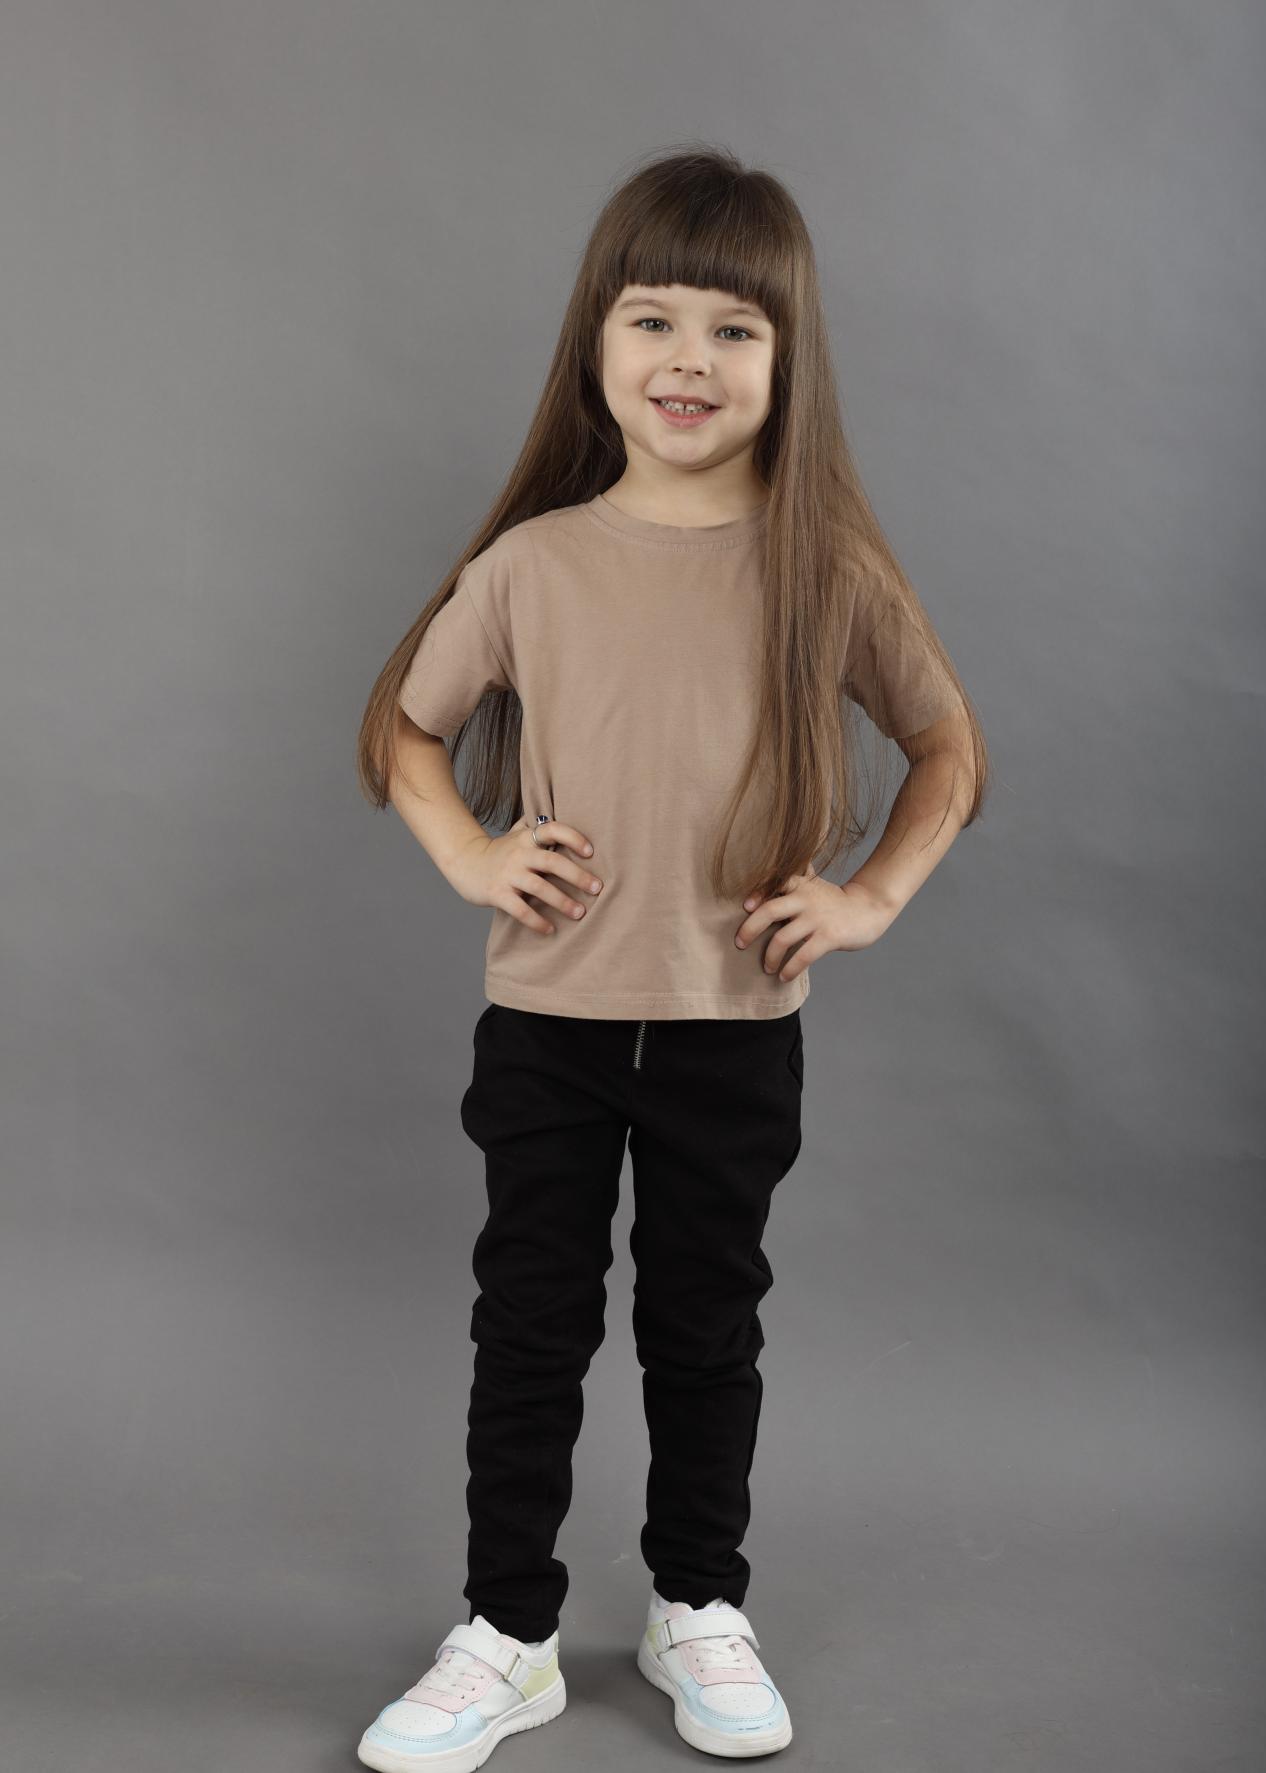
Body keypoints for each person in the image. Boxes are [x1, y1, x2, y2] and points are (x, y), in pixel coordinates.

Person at [353, 144, 987, 1770]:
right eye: (653, 321)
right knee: (532, 1327)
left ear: (786, 361)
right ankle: (508, 1633)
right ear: (596, 344)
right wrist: (476, 856)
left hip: (733, 1027)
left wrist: (868, 897)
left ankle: (699, 1602)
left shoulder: (823, 567)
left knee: (706, 1326)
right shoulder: (532, 563)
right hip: (550, 1024)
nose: (688, 360)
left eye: (733, 329)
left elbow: (947, 744)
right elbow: (406, 732)